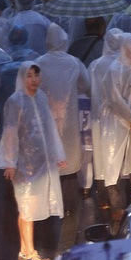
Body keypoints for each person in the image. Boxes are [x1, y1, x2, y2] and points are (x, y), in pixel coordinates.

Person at [0, 62, 66, 260]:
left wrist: (58, 154)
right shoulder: (15, 101)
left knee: (30, 207)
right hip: (24, 165)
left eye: (36, 75)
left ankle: (27, 250)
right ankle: (28, 253)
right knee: (27, 208)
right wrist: (10, 162)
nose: (34, 79)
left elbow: (50, 128)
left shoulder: (41, 98)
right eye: (29, 76)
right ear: (22, 78)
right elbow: (10, 133)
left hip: (41, 164)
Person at [36, 24, 90, 219]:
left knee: (48, 165)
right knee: (69, 165)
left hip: (46, 122)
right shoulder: (74, 63)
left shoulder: (39, 63)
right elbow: (86, 86)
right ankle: (69, 209)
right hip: (70, 123)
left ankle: (48, 208)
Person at [99, 33, 131, 215]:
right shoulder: (114, 69)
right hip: (115, 125)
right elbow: (115, 99)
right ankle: (118, 211)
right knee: (114, 167)